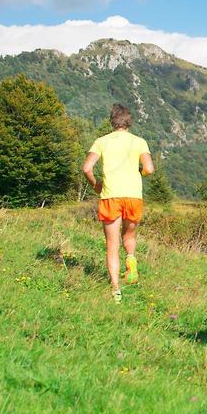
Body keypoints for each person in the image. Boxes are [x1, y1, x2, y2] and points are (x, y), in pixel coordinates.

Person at [82, 104, 155, 303]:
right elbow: (149, 168)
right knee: (129, 234)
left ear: (112, 122)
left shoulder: (101, 141)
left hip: (110, 195)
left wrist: (96, 185)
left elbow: (87, 168)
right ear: (129, 122)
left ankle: (116, 290)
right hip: (133, 195)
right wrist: (139, 173)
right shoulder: (139, 141)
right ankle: (131, 258)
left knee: (111, 245)